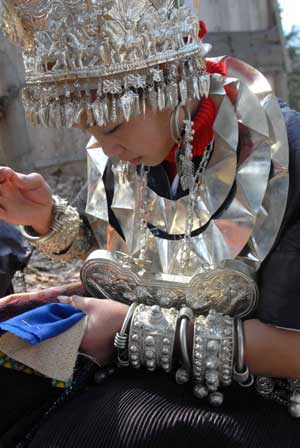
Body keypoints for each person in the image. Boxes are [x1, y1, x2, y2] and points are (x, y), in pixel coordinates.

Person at [0, 0, 300, 447]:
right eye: (90, 131)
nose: (105, 146)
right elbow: (138, 264)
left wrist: (129, 330)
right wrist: (45, 220)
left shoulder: (286, 155)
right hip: (146, 366)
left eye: (114, 125)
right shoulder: (127, 152)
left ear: (172, 81)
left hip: (256, 394)